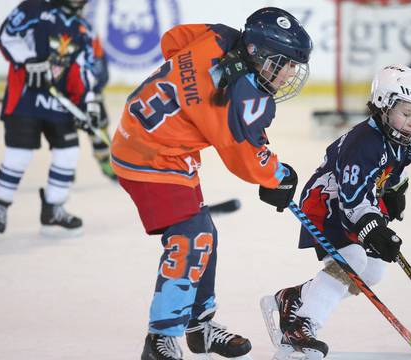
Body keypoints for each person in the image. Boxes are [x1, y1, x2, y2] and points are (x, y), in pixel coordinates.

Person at [109, 7, 312, 360]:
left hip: (151, 139)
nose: (289, 73)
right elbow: (247, 162)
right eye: (284, 63)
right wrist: (280, 176)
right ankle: (161, 338)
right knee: (192, 237)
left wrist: (189, 93)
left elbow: (172, 41)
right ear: (258, 55)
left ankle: (199, 328)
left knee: (204, 234)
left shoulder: (219, 36)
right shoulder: (238, 98)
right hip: (150, 158)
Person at [260, 64, 411, 360]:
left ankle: (294, 298)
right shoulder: (363, 143)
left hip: (361, 202)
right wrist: (374, 229)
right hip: (328, 203)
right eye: (406, 114)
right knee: (352, 259)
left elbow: (391, 173)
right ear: (383, 105)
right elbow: (352, 201)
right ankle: (303, 327)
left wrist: (394, 191)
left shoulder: (408, 142)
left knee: (373, 270)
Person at [0, 0, 102, 239]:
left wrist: (87, 105)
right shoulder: (33, 8)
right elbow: (7, 36)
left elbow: (84, 70)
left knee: (68, 153)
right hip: (25, 100)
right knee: (19, 155)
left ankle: (53, 210)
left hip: (59, 103)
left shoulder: (84, 29)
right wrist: (29, 61)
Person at [87, 36, 117, 181]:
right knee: (63, 132)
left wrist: (97, 87)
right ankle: (64, 165)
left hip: (91, 93)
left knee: (99, 128)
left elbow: (100, 61)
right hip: (68, 92)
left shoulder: (89, 31)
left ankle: (108, 163)